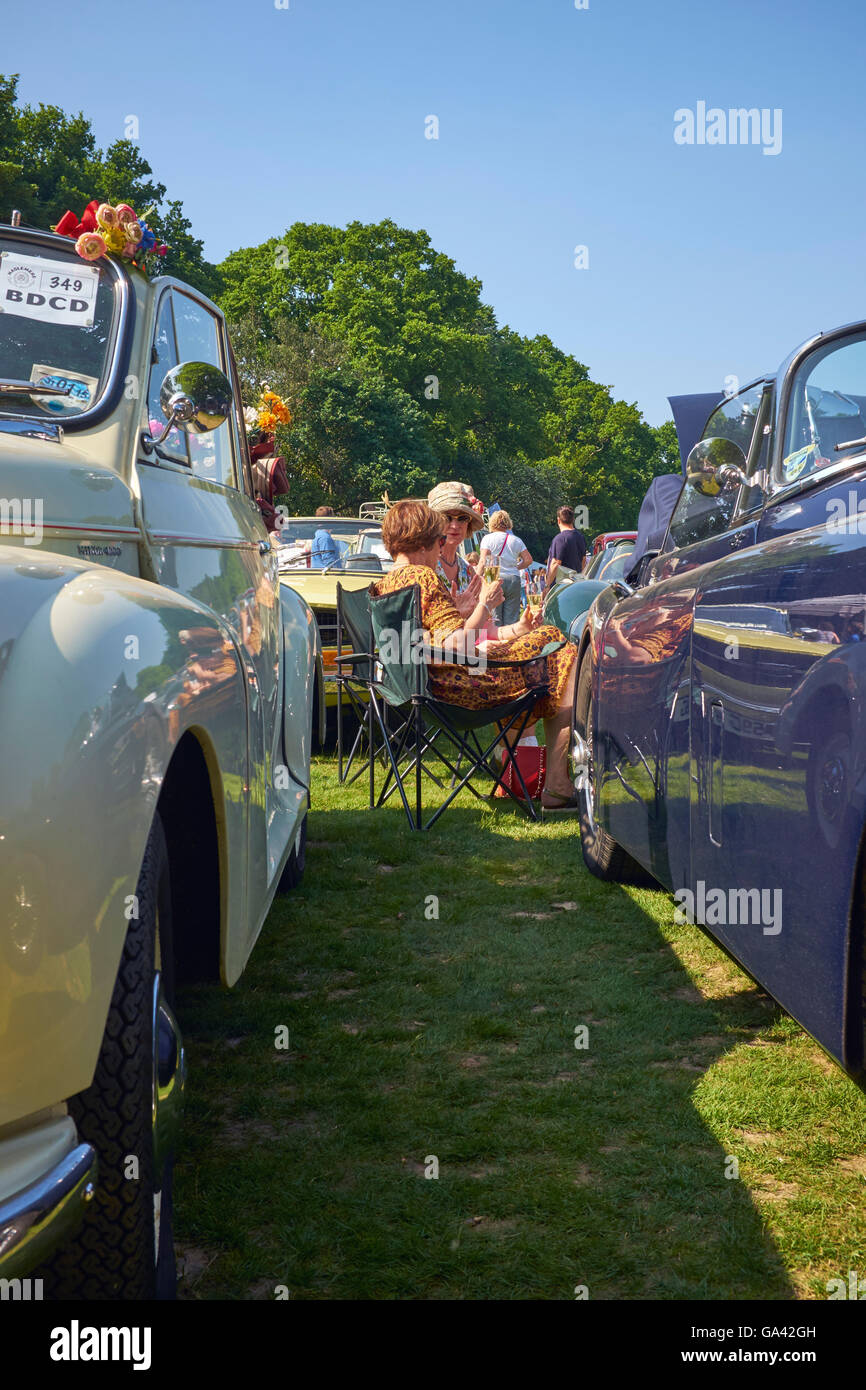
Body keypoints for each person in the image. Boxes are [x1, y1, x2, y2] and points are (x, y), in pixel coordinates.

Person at [372, 500, 579, 808]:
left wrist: (491, 628)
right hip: (458, 688)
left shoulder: (384, 584)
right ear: (425, 540)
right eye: (438, 539)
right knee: (560, 646)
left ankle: (521, 777)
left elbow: (427, 644)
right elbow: (457, 645)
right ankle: (557, 783)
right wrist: (483, 608)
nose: (440, 545)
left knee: (541, 659)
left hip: (420, 686)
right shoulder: (423, 577)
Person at [427, 480, 485, 615]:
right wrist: (457, 614)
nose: (455, 525)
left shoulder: (469, 571)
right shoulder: (424, 567)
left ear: (468, 524)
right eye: (447, 517)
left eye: (462, 518)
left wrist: (518, 627)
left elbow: (484, 627)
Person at [479, 510, 533, 625]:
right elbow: (528, 560)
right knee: (512, 618)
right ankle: (511, 641)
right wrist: (516, 567)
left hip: (494, 578)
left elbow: (483, 560)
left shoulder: (487, 539)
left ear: (492, 523)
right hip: (513, 578)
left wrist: (477, 577)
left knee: (494, 617)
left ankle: (496, 641)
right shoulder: (516, 540)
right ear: (508, 522)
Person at [546, 506, 587, 590]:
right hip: (576, 583)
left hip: (561, 587)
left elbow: (556, 563)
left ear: (558, 520)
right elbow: (583, 560)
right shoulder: (580, 537)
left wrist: (547, 586)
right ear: (573, 520)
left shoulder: (559, 539)